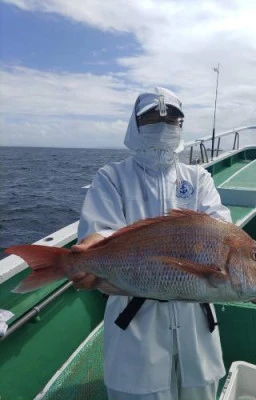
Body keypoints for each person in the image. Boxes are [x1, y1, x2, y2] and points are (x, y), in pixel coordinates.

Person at [71, 87, 232, 400]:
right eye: (151, 117)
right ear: (135, 124)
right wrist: (94, 248)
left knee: (198, 391)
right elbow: (103, 231)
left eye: (172, 117)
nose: (163, 123)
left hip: (196, 318)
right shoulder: (112, 177)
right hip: (134, 316)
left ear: (181, 125)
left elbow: (222, 233)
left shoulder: (198, 178)